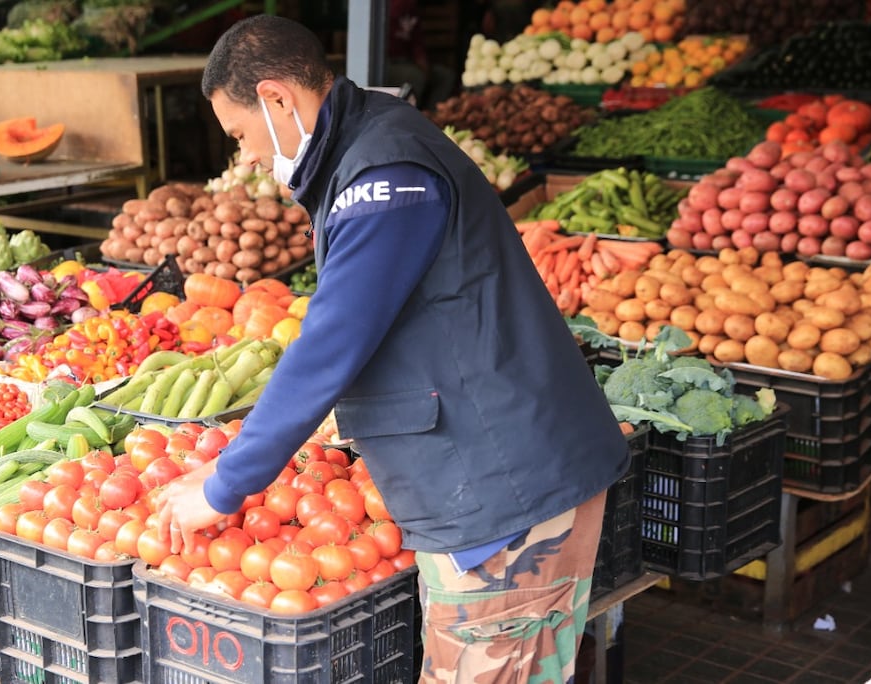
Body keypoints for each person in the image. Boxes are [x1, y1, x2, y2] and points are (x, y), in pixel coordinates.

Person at [157, 15, 629, 683]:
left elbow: (334, 339)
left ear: (277, 99)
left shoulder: (384, 174)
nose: (249, 159)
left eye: (240, 135)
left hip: (504, 484)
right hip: (483, 477)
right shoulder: (367, 147)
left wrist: (227, 484)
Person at [384, 0, 456, 110]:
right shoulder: (389, 7)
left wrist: (425, 67)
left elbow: (418, 45)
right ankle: (411, 118)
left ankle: (431, 116)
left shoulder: (412, 9)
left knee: (445, 76)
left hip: (409, 62)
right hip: (389, 63)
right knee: (416, 76)